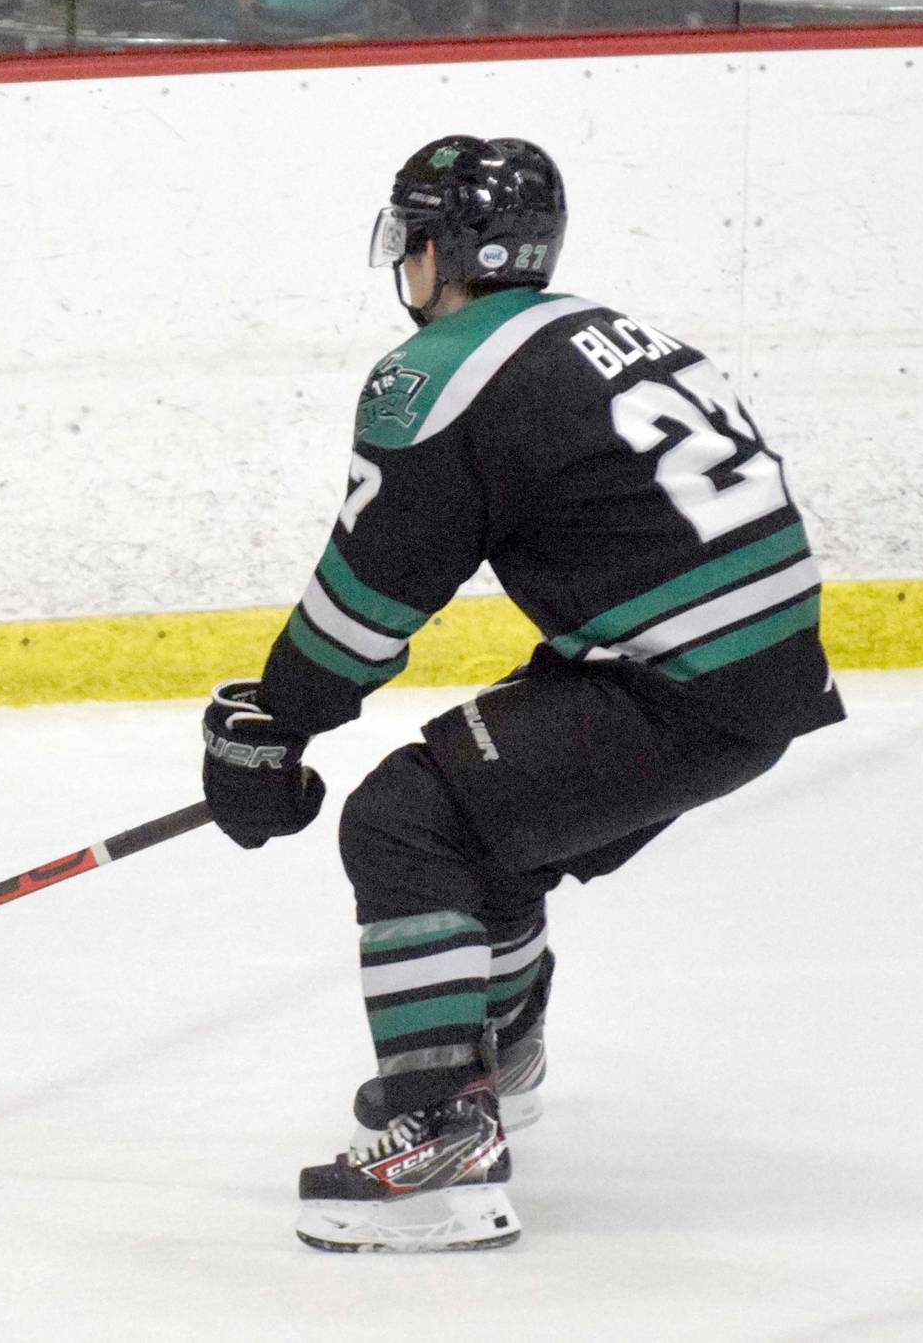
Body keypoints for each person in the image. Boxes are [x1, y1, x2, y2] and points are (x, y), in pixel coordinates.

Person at [198, 135, 844, 1251]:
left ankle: (445, 1138)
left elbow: (374, 592)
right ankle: (495, 1048)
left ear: (441, 248)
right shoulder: (612, 332)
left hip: (677, 687)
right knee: (486, 811)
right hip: (753, 676)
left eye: (413, 239)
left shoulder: (439, 368)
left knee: (409, 820)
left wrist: (275, 722)